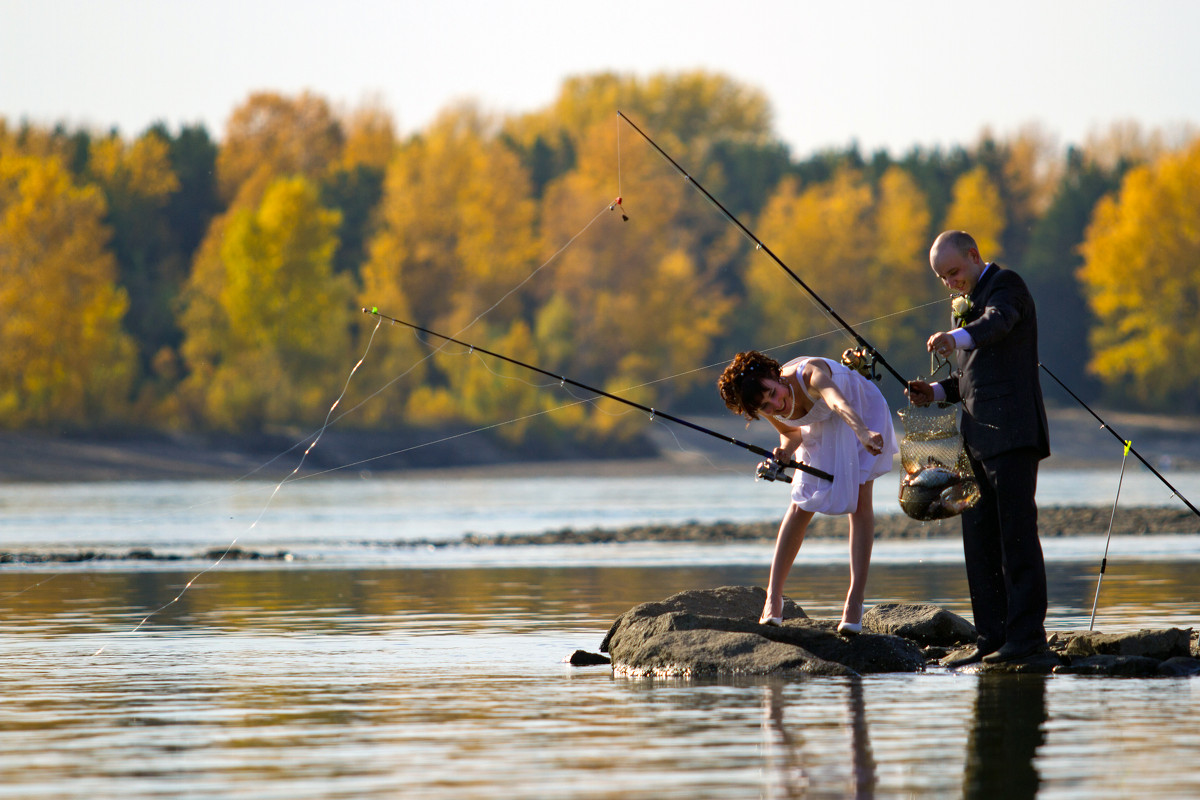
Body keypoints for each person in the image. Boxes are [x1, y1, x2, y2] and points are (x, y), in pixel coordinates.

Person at [907, 230, 1051, 667]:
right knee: (979, 541)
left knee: (1016, 537)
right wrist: (934, 391)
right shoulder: (965, 312)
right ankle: (991, 637)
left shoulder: (1006, 286)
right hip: (975, 438)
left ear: (974, 255)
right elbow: (969, 379)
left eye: (953, 272)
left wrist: (957, 337)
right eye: (942, 277)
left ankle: (1026, 639)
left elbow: (997, 324)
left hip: (1013, 436)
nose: (949, 282)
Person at [718, 350, 898, 632]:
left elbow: (837, 403)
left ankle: (855, 600)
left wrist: (862, 433)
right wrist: (785, 453)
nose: (776, 404)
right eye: (765, 406)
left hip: (859, 412)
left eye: (773, 393)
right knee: (800, 503)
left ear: (775, 377)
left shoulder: (810, 374)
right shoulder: (769, 406)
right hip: (820, 426)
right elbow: (791, 433)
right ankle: (773, 598)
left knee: (861, 500)